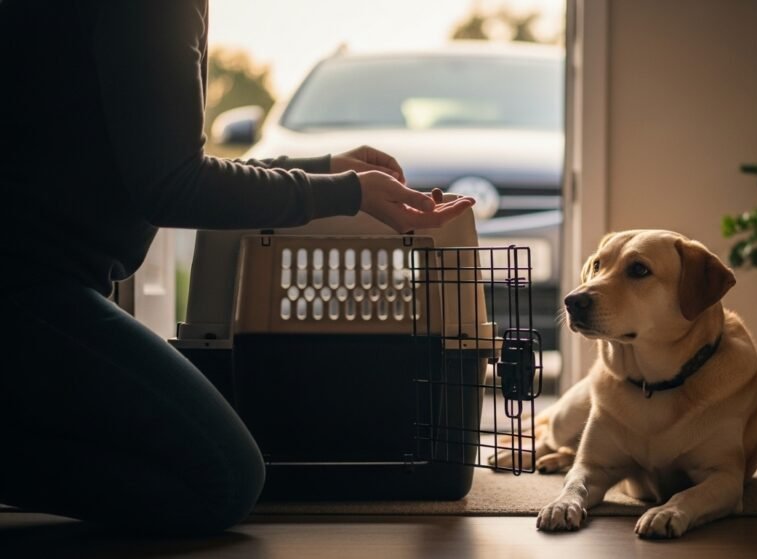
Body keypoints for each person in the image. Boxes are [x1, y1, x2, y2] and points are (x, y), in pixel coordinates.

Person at [0, 0, 474, 535]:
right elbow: (174, 188)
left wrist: (327, 170)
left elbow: (167, 165)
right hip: (26, 289)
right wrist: (348, 192)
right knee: (224, 480)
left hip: (44, 286)